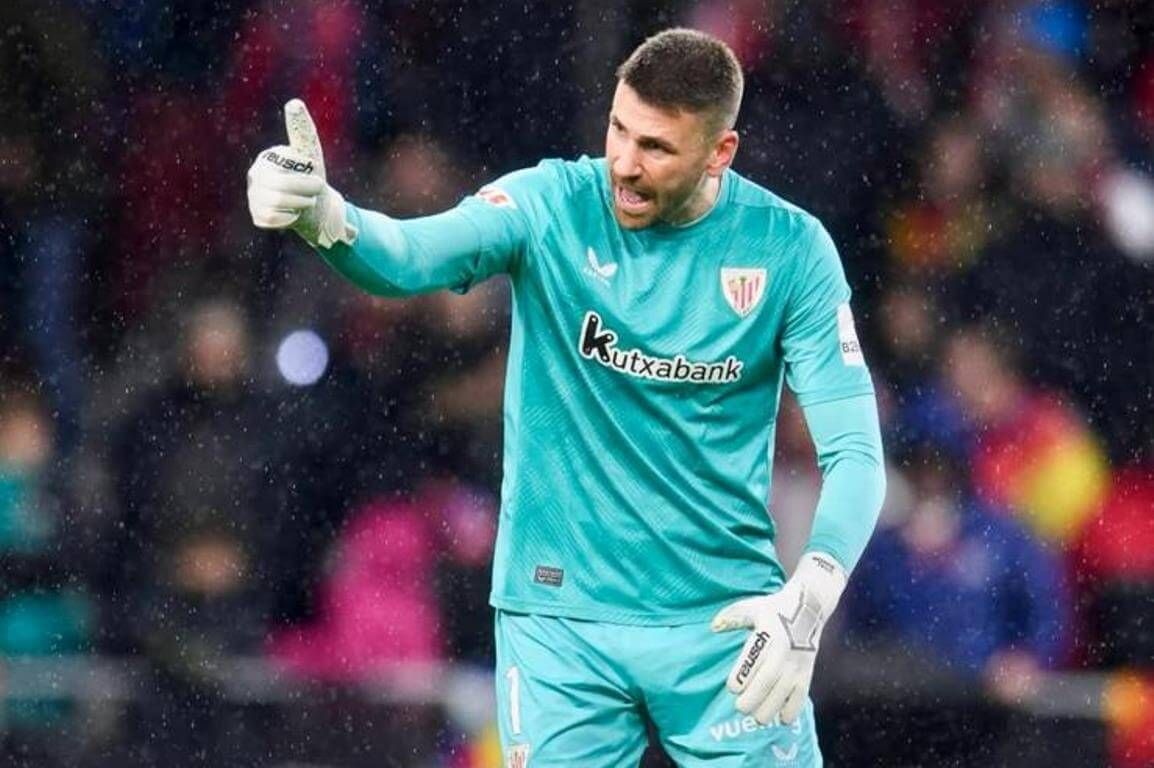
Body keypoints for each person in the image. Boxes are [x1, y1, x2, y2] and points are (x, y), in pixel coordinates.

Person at [246, 28, 886, 767]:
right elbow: (412, 256)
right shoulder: (550, 204)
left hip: (723, 621)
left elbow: (857, 453)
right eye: (619, 129)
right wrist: (328, 218)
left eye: (656, 147)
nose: (624, 163)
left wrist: (810, 594)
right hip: (559, 621)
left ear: (720, 153)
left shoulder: (788, 249)